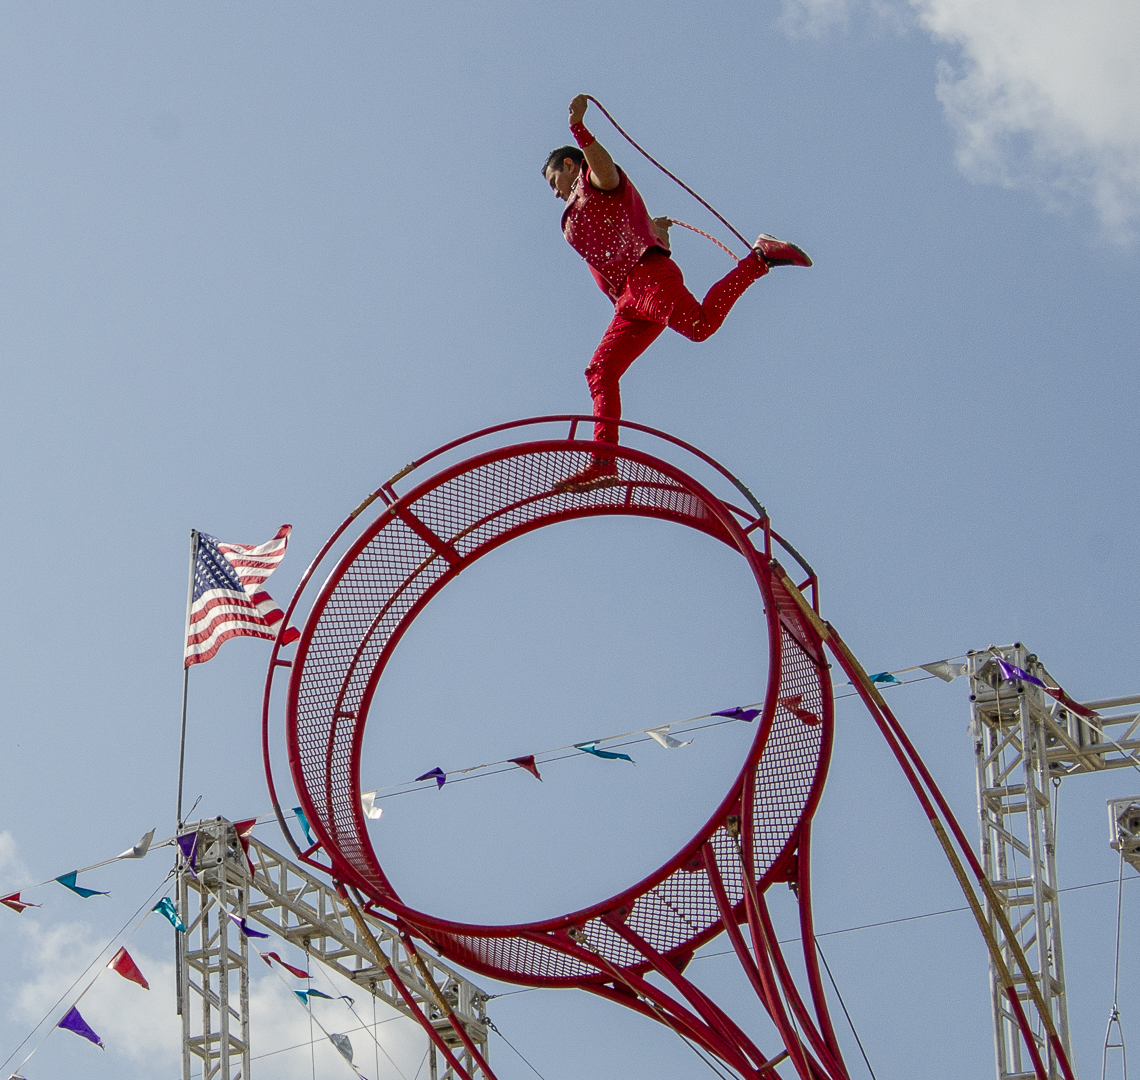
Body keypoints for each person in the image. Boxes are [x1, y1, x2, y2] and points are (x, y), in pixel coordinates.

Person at [544, 94, 811, 492]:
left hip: (645, 281)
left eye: (554, 181)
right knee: (600, 370)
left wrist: (579, 130)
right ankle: (603, 462)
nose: (554, 192)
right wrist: (656, 234)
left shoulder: (592, 182)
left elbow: (605, 172)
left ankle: (761, 257)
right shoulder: (579, 211)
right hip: (629, 302)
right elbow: (623, 234)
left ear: (570, 165)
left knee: (699, 326)